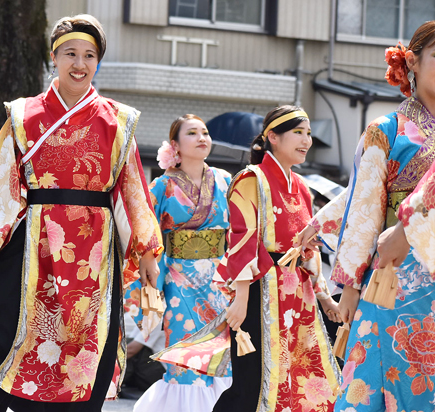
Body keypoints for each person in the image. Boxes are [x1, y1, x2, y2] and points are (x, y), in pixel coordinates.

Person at [0, 14, 164, 412]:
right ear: (53, 58)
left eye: (90, 55)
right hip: (33, 239)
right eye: (70, 53)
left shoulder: (118, 120)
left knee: (85, 341)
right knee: (0, 326)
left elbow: (130, 190)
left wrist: (144, 251)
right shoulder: (24, 114)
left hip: (93, 247)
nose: (80, 63)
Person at [299, 21, 435, 412]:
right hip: (397, 276)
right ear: (412, 61)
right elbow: (365, 206)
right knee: (390, 380)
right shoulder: (386, 130)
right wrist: (352, 286)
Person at [209, 105, 341, 412]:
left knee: (304, 377)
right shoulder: (250, 179)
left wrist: (324, 298)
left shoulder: (304, 188)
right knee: (252, 384)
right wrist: (240, 298)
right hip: (259, 291)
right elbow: (242, 240)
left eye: (308, 133)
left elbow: (310, 251)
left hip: (298, 296)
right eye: (297, 132)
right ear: (273, 137)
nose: (306, 140)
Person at [124, 115, 232, 411]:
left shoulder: (224, 180)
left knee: (222, 358)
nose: (202, 138)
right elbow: (144, 234)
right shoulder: (162, 185)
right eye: (192, 133)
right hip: (179, 283)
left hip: (220, 283)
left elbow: (238, 232)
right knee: (185, 360)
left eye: (205, 133)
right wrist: (152, 286)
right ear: (175, 145)